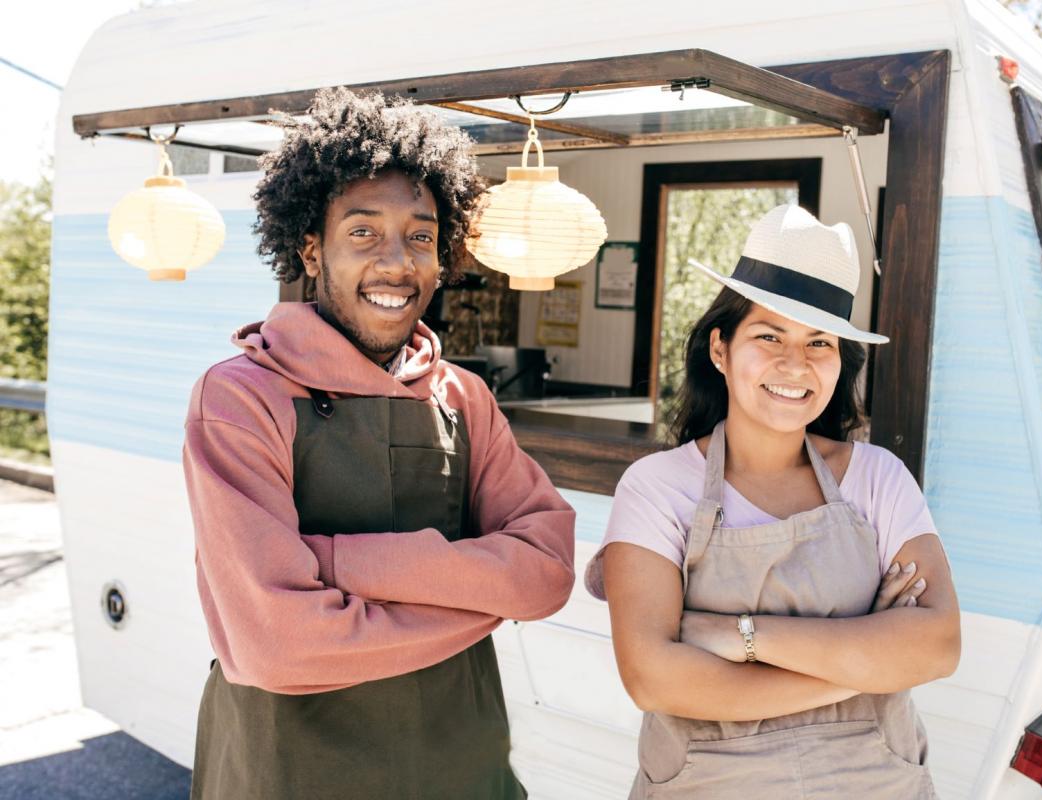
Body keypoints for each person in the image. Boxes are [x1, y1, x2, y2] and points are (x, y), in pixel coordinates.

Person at [183, 87, 575, 800]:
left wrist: (337, 564)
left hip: (461, 765)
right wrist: (482, 593)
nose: (399, 262)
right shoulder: (243, 397)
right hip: (288, 771)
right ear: (310, 247)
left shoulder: (463, 397)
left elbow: (546, 573)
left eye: (420, 236)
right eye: (364, 232)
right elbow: (277, 645)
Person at [585, 204, 960, 798]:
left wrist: (739, 637)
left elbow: (937, 646)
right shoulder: (657, 488)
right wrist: (863, 664)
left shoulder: (880, 478)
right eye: (768, 335)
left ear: (840, 363)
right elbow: (654, 680)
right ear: (720, 349)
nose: (796, 363)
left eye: (820, 342)